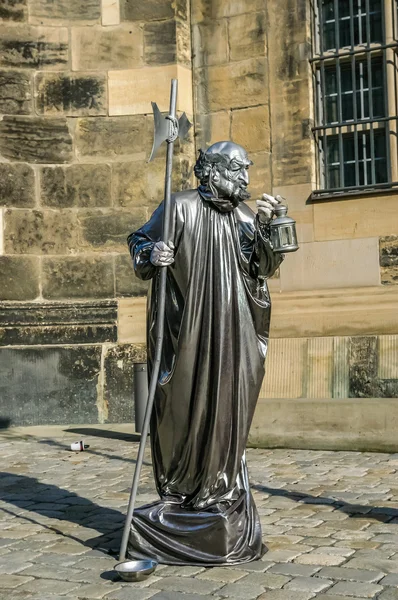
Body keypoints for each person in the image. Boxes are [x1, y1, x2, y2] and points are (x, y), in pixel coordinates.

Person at [127, 141, 285, 565]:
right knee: (181, 409)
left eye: (246, 171)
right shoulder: (178, 208)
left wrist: (268, 230)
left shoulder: (247, 217)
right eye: (238, 171)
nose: (246, 180)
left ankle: (220, 489)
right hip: (190, 332)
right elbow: (139, 241)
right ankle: (181, 491)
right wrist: (151, 252)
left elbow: (263, 269)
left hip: (234, 334)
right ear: (212, 172)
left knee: (227, 411)